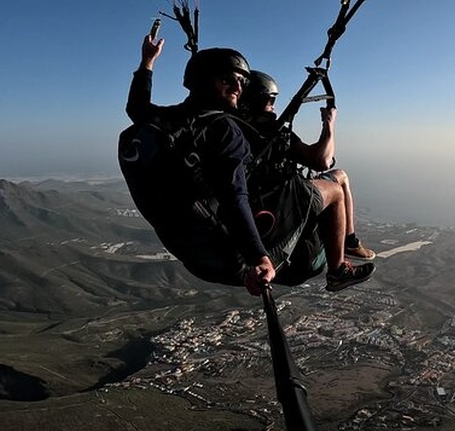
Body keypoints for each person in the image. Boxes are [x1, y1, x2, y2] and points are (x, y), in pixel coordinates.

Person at [121, 34, 374, 296]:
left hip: (195, 253)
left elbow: (135, 107)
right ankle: (338, 270)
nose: (237, 86)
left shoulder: (166, 120)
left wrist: (147, 62)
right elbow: (234, 197)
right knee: (334, 189)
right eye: (228, 79)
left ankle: (346, 247)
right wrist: (259, 258)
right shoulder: (224, 130)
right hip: (235, 249)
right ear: (204, 80)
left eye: (241, 81)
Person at [241, 70, 376, 261]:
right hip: (282, 202)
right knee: (338, 186)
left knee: (340, 175)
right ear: (257, 100)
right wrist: (328, 124)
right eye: (269, 100)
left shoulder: (232, 130)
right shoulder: (271, 133)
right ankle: (341, 263)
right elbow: (321, 161)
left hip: (259, 203)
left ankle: (350, 242)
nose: (272, 106)